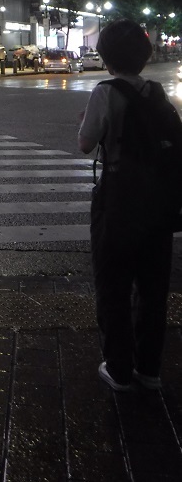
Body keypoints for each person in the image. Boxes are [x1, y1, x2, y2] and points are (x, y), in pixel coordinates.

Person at [78, 19, 173, 392]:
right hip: (157, 199)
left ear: (106, 57)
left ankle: (118, 368)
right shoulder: (156, 92)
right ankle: (149, 369)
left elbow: (86, 143)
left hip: (118, 197)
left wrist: (84, 124)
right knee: (153, 285)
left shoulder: (106, 91)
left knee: (113, 282)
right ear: (145, 57)